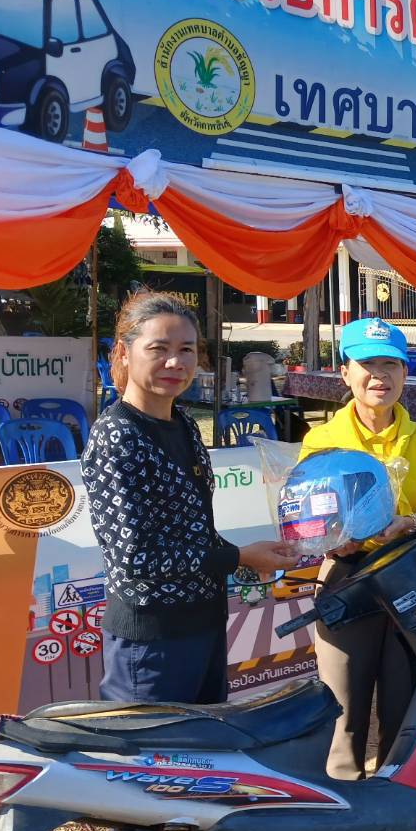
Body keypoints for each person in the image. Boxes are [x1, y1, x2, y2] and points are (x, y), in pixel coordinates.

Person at [81, 292, 295, 704]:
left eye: (186, 350)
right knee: (154, 745)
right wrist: (240, 557)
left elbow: (194, 531)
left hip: (204, 624)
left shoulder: (184, 424)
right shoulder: (117, 437)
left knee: (204, 743)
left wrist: (248, 559)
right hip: (152, 642)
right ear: (124, 353)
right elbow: (137, 558)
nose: (175, 363)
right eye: (158, 349)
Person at [296, 316, 416, 780]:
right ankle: (345, 805)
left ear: (405, 373)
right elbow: (307, 517)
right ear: (345, 373)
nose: (380, 375)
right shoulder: (322, 440)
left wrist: (407, 522)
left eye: (391, 364)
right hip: (347, 580)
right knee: (342, 711)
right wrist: (332, 539)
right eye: (367, 364)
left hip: (409, 580)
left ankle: (395, 798)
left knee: (405, 706)